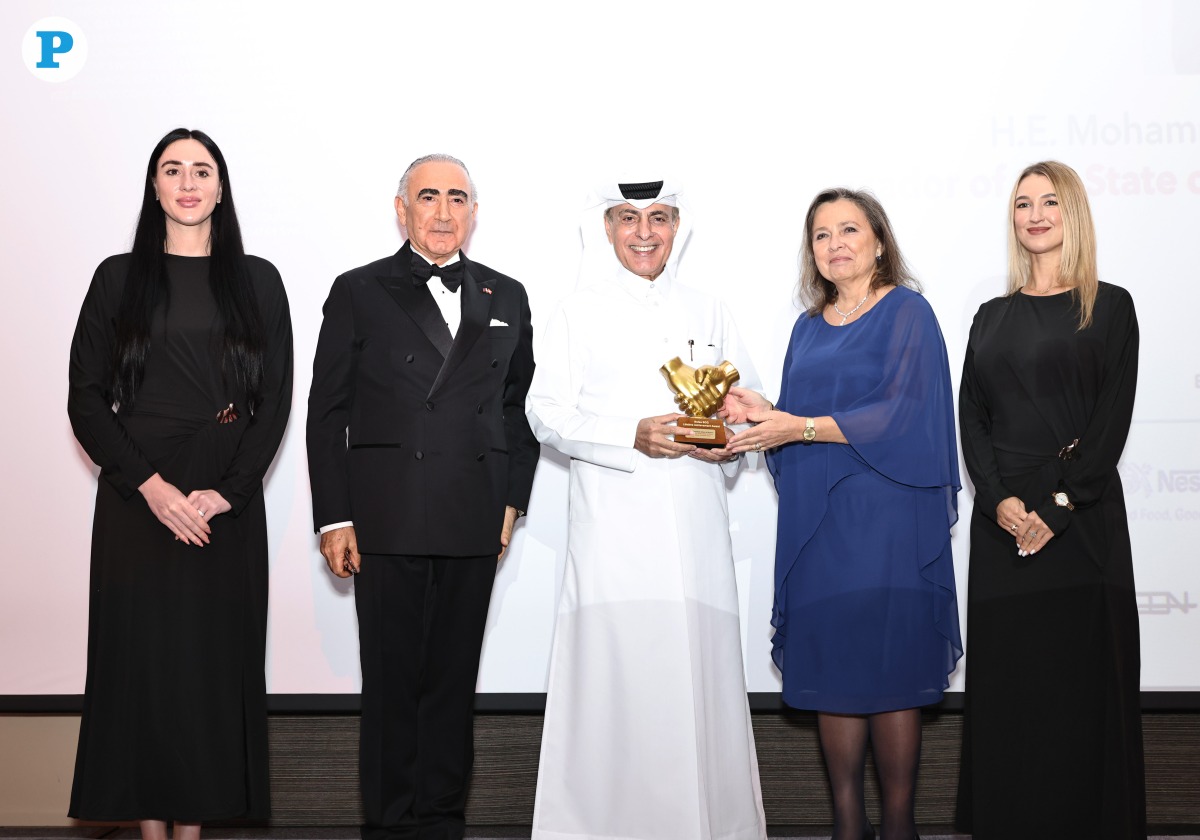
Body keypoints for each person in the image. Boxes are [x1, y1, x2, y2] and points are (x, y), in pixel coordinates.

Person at [67, 128, 293, 840]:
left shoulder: (259, 280)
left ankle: (192, 834)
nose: (188, 182)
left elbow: (275, 400)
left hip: (222, 506)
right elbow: (85, 398)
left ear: (221, 188)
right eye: (173, 169)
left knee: (207, 674)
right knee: (142, 672)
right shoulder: (116, 278)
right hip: (137, 500)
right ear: (154, 186)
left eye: (202, 170)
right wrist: (150, 487)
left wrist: (228, 492)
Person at [526, 180, 767, 840]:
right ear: (607, 227)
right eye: (628, 218)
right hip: (613, 542)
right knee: (619, 688)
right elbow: (545, 412)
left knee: (699, 688)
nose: (643, 232)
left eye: (658, 217)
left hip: (698, 536)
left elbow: (749, 405)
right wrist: (629, 436)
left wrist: (731, 439)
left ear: (677, 226)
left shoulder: (710, 309)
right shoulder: (577, 310)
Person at [307, 153, 538, 840]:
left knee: (452, 684)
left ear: (474, 212)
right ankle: (387, 825)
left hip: (474, 514)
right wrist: (334, 516)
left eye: (457, 198)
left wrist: (511, 502)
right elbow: (327, 411)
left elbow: (519, 409)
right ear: (401, 209)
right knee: (390, 685)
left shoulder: (507, 294)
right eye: (428, 196)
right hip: (387, 516)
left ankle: (441, 822)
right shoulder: (359, 289)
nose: (443, 212)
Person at [724, 188, 961, 840]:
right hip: (821, 529)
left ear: (879, 241)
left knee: (889, 673)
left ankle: (901, 827)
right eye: (822, 235)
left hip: (888, 522)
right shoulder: (807, 326)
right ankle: (848, 827)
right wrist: (763, 411)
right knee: (835, 671)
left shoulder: (908, 311)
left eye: (850, 230)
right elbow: (798, 419)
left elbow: (901, 414)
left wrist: (796, 426)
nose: (836, 244)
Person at [955, 161, 1145, 839]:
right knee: (1013, 692)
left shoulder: (1111, 306)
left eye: (1049, 202)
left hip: (1082, 525)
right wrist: (996, 500)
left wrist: (1060, 505)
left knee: (1082, 690)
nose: (1034, 215)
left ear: (1074, 213)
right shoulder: (990, 316)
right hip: (1003, 529)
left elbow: (1110, 422)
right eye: (1022, 204)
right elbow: (971, 416)